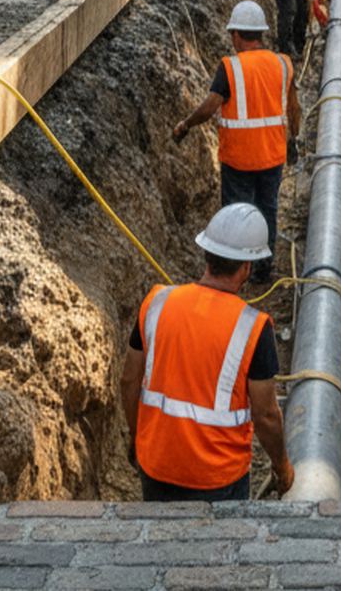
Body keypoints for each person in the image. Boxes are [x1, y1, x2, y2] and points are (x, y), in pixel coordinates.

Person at [120, 203, 294, 502]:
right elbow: (265, 415)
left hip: (157, 466)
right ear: (247, 267)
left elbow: (129, 380)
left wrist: (139, 438)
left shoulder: (156, 303)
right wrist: (282, 466)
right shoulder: (253, 328)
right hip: (218, 479)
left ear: (207, 254)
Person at [173, 1, 302, 284]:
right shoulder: (282, 63)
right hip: (272, 155)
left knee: (237, 213)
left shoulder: (230, 68)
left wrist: (186, 125)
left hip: (239, 158)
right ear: (261, 33)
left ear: (235, 35)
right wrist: (294, 139)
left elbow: (210, 107)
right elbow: (293, 107)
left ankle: (235, 269)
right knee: (267, 208)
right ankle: (263, 269)